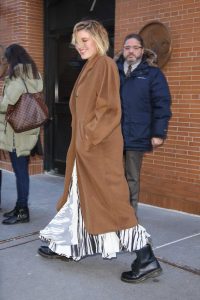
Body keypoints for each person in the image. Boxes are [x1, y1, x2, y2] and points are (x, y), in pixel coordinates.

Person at [38, 20, 162, 283]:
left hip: (97, 150)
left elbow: (108, 110)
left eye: (84, 40)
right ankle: (66, 246)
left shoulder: (103, 65)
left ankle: (146, 257)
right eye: (76, 41)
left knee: (114, 204)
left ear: (98, 39)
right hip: (87, 149)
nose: (78, 45)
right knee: (76, 198)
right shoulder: (91, 66)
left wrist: (88, 138)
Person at [115, 34, 172, 216]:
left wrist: (159, 133)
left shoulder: (152, 74)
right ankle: (112, 216)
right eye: (127, 47)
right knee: (113, 177)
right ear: (123, 50)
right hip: (112, 135)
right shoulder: (113, 71)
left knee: (131, 178)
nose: (131, 51)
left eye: (135, 47)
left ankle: (129, 221)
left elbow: (162, 104)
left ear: (142, 50)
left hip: (138, 134)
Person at [0, 44, 43, 224]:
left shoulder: (17, 78)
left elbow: (6, 106)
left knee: (20, 173)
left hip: (16, 134)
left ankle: (22, 210)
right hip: (29, 132)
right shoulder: (34, 74)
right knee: (21, 171)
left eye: (6, 59)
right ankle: (20, 206)